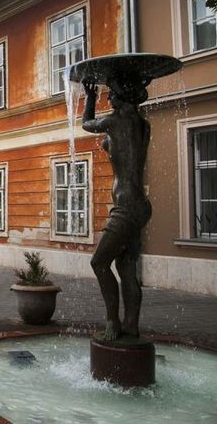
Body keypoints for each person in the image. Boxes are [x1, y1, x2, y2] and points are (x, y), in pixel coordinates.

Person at [82, 80, 151, 342]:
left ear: (123, 97)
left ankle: (112, 320)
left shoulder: (116, 121)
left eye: (112, 96)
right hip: (140, 205)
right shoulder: (143, 125)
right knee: (126, 266)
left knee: (99, 263)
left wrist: (89, 97)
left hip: (125, 207)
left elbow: (87, 124)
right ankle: (131, 325)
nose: (108, 101)